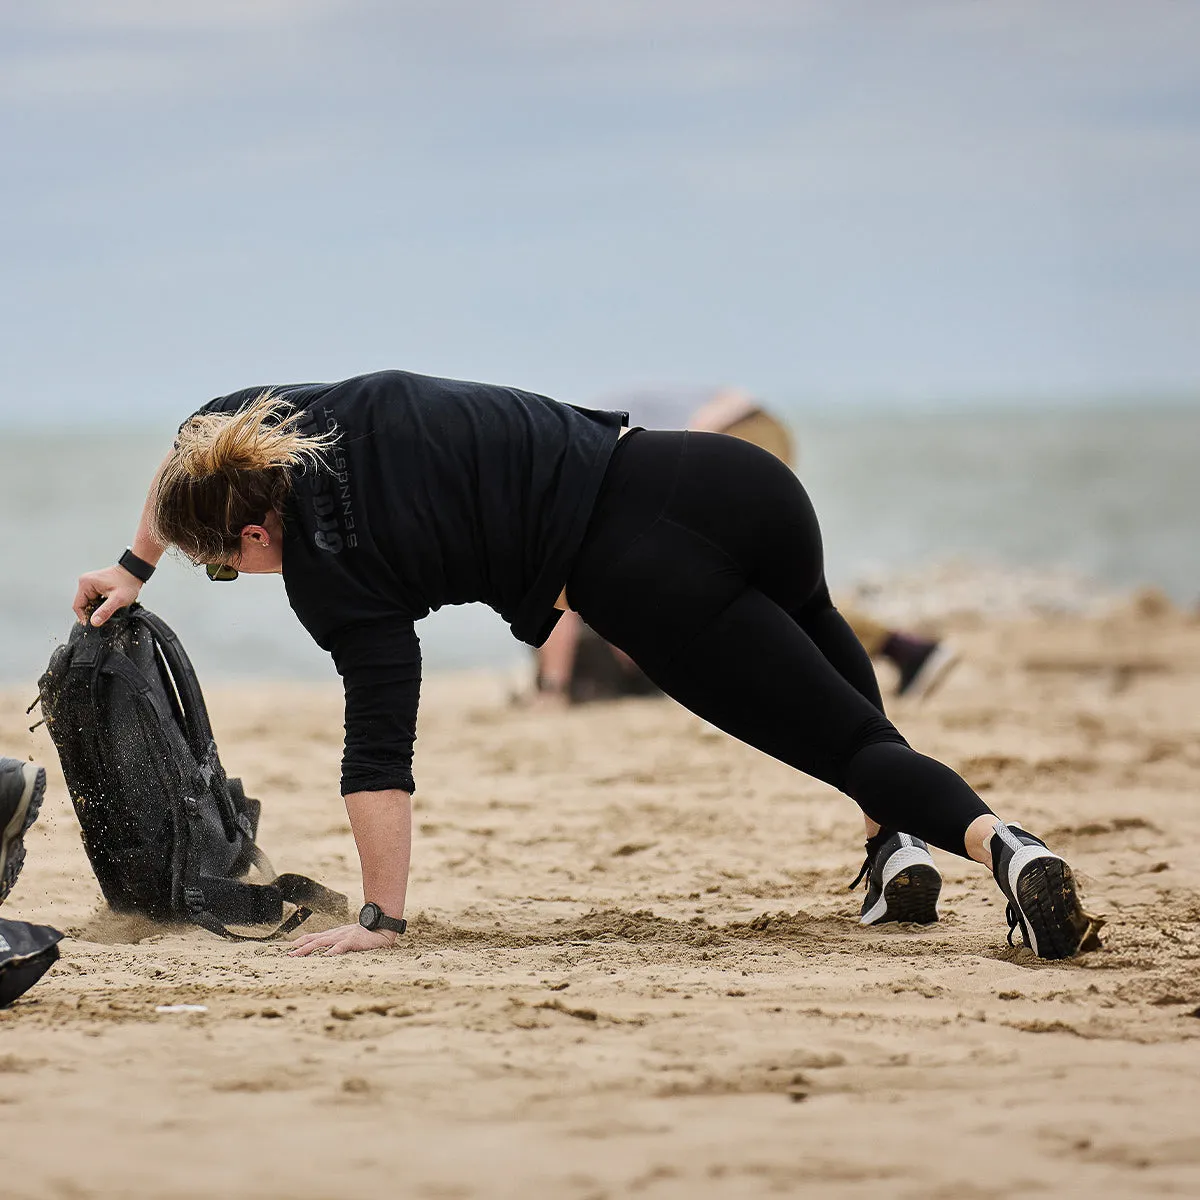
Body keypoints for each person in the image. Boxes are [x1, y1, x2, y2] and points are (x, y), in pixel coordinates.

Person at [73, 369, 1101, 960]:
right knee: (830, 658)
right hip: (724, 476)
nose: (240, 576)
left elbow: (378, 748)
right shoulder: (279, 419)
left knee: (842, 746)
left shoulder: (335, 578)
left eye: (226, 568)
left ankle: (1002, 847)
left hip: (643, 572)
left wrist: (381, 918)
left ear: (256, 534)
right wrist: (134, 565)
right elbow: (186, 454)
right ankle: (893, 850)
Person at [534, 387, 956, 706]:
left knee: (749, 576)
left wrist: (555, 688)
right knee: (749, 578)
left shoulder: (587, 449)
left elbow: (577, 580)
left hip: (741, 429)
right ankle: (901, 652)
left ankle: (893, 655)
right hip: (732, 438)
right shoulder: (576, 450)